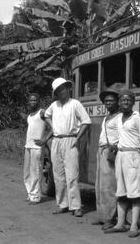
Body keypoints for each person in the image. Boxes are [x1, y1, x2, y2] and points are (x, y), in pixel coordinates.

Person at [41, 77, 92, 217]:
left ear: (68, 89)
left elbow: (86, 121)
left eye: (64, 88)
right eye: (59, 90)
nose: (62, 91)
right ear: (56, 93)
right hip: (56, 141)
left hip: (70, 140)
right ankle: (62, 204)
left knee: (72, 175)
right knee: (58, 175)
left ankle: (76, 206)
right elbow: (46, 115)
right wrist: (52, 127)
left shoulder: (75, 103)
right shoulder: (54, 105)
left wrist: (78, 138)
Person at [104, 90, 140, 238]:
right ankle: (120, 224)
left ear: (133, 102)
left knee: (135, 193)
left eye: (128, 100)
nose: (125, 103)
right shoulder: (118, 119)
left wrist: (138, 156)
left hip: (133, 155)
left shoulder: (139, 118)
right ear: (119, 102)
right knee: (121, 191)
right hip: (121, 155)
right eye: (123, 100)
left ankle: (134, 226)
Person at [92, 89, 121, 230]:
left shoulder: (119, 117)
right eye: (106, 101)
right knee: (99, 185)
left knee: (109, 186)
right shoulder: (107, 117)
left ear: (117, 102)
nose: (108, 103)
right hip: (101, 151)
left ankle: (110, 218)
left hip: (110, 152)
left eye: (111, 101)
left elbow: (123, 135)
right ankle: (102, 216)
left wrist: (114, 148)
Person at [22, 93, 47, 205]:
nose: (33, 102)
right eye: (31, 100)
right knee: (27, 172)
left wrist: (45, 139)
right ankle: (30, 193)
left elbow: (53, 126)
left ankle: (36, 196)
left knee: (36, 171)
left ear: (39, 101)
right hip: (28, 146)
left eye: (35, 100)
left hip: (37, 146)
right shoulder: (30, 115)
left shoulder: (42, 113)